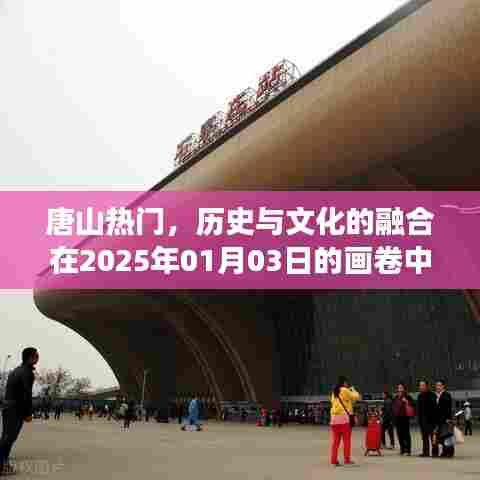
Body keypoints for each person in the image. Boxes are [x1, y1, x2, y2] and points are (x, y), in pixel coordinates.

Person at [0, 347, 38, 476]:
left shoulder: (16, 370)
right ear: (30, 357)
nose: (38, 358)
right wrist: (28, 413)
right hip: (16, 409)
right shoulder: (27, 372)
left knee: (6, 437)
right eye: (36, 356)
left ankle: (4, 462)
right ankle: (1, 466)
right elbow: (26, 394)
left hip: (8, 407)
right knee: (9, 438)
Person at [329, 376, 360, 467]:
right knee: (346, 441)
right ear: (344, 382)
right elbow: (357, 397)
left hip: (334, 419)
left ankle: (334, 460)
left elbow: (333, 402)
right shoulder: (345, 390)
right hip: (344, 419)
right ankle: (347, 459)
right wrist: (353, 390)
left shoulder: (334, 392)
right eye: (347, 382)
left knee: (335, 441)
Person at [392, 382, 415, 456]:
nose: (400, 389)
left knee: (406, 434)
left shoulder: (407, 396)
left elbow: (413, 405)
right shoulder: (396, 397)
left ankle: (408, 450)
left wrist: (407, 401)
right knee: (399, 434)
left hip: (405, 418)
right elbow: (393, 406)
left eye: (401, 388)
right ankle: (402, 449)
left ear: (404, 389)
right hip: (397, 418)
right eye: (399, 388)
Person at [416, 380, 438, 457]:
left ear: (426, 386)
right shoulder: (419, 396)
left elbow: (435, 408)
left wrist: (435, 420)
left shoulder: (432, 395)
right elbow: (418, 409)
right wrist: (419, 420)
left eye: (423, 385)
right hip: (423, 421)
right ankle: (425, 452)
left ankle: (435, 452)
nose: (421, 387)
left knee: (433, 437)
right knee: (424, 438)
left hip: (431, 421)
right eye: (420, 385)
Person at [434, 380, 454, 458]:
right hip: (439, 420)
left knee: (447, 436)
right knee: (442, 437)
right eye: (437, 385)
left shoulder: (446, 395)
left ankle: (449, 452)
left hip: (446, 419)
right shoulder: (436, 395)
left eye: (439, 385)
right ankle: (445, 452)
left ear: (443, 386)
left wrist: (448, 418)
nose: (437, 387)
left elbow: (448, 408)